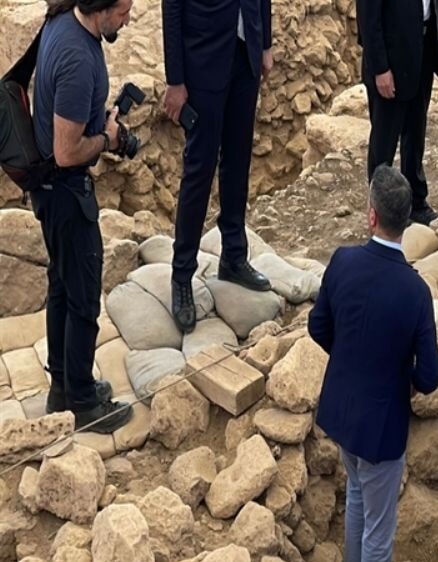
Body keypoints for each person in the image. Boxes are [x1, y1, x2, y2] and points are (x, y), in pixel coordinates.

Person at [308, 166, 438, 562]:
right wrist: (393, 372)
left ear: (371, 215)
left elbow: (317, 327)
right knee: (379, 525)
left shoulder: (342, 261)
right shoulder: (414, 291)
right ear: (406, 222)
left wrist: (353, 357)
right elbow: (429, 377)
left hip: (341, 410)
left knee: (358, 500)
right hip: (382, 424)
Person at [30, 0, 135, 433]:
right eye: (124, 10)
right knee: (84, 297)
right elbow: (67, 150)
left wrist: (99, 117)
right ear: (101, 7)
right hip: (66, 192)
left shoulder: (64, 22)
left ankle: (63, 389)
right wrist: (108, 138)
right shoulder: (77, 57)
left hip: (50, 192)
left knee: (62, 286)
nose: (129, 18)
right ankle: (84, 403)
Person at [162, 0, 274, 334]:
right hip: (203, 58)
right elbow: (172, 8)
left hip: (245, 52)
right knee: (199, 170)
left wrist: (264, 41)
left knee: (238, 162)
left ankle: (234, 257)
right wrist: (175, 79)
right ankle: (182, 274)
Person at [356, 0, 438, 225]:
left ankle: (416, 202)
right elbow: (368, 18)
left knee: (416, 132)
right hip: (392, 58)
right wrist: (380, 68)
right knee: (384, 142)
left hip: (424, 49)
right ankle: (380, 214)